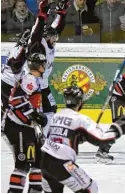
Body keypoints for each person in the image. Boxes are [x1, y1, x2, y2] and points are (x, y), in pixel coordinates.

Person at [40, 86, 125, 192]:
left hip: (44, 161)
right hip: (63, 163)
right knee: (91, 189)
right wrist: (118, 128)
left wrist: (78, 138)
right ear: (79, 102)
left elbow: (56, 136)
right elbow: (101, 139)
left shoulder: (56, 116)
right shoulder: (80, 119)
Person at [3, 53, 48, 193]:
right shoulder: (30, 80)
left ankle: (35, 191)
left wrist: (36, 116)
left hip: (27, 126)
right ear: (38, 65)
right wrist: (34, 114)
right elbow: (16, 101)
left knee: (37, 162)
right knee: (22, 164)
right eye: (43, 63)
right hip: (17, 127)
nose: (45, 66)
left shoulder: (34, 79)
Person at [23, 0, 69, 136]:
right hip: (32, 86)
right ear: (46, 37)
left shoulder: (50, 41)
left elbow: (56, 28)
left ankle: (45, 136)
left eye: (56, 37)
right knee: (35, 113)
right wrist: (43, 13)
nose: (55, 40)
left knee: (51, 109)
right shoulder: (38, 43)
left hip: (43, 85)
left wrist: (61, 12)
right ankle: (33, 136)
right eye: (53, 37)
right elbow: (37, 31)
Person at [1, 29, 31, 120]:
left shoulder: (17, 49)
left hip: (7, 81)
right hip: (7, 83)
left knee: (8, 105)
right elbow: (15, 68)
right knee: (6, 106)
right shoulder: (18, 51)